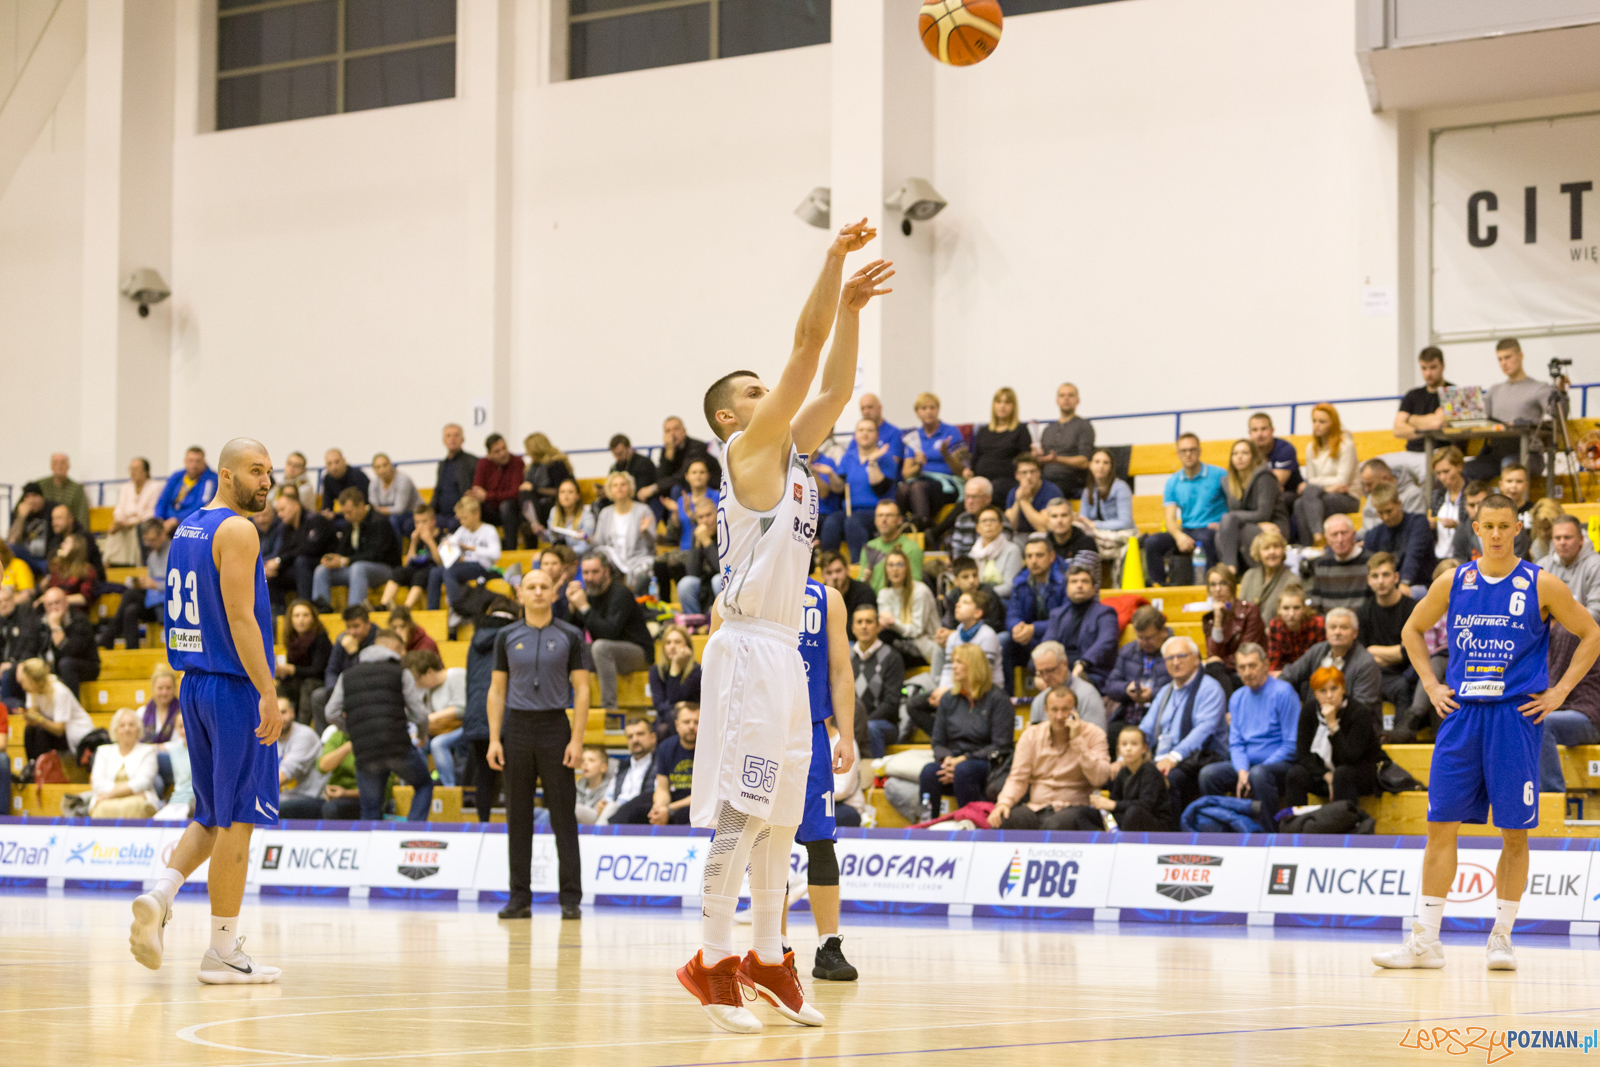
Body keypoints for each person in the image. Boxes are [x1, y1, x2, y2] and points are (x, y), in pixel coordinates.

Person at [682, 220, 889, 1034]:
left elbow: (832, 389)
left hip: (784, 655)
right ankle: (709, 958)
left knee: (780, 817)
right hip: (745, 647)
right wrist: (833, 267)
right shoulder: (749, 451)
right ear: (731, 415)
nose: (777, 394)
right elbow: (806, 354)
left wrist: (854, 311)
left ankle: (769, 957)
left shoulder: (792, 456)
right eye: (759, 390)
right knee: (743, 807)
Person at [1373, 491, 1600, 971]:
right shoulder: (1455, 580)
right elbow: (1412, 631)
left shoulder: (1542, 584)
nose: (1496, 534)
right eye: (1488, 526)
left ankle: (1501, 937)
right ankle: (1426, 940)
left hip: (1515, 718)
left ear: (1517, 527)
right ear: (1475, 529)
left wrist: (1559, 692)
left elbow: (1592, 634)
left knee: (1513, 832)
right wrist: (1431, 684)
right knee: (1440, 826)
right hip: (1461, 717)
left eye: (1504, 525)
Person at [127, 437, 282, 985]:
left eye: (269, 471)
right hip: (234, 687)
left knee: (210, 812)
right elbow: (241, 620)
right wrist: (267, 689)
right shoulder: (238, 529)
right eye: (254, 471)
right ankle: (222, 950)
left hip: (194, 684)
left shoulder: (187, 526)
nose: (265, 481)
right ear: (225, 474)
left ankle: (160, 895)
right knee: (239, 819)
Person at [485, 567, 590, 921]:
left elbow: (583, 689)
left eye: (545, 586)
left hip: (555, 728)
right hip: (517, 728)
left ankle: (570, 898)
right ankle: (519, 898)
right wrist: (494, 738)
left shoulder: (571, 635)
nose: (539, 592)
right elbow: (497, 689)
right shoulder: (505, 636)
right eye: (532, 586)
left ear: (554, 593)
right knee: (517, 816)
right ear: (521, 594)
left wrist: (577, 739)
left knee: (564, 816)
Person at [794, 576, 859, 982]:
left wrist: (846, 735)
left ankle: (828, 945)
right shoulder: (737, 591)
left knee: (820, 838)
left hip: (812, 730)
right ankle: (772, 946)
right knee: (764, 840)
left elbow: (840, 670)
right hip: (757, 731)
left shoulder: (826, 598)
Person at [324, 628, 433, 820]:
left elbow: (330, 713)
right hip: (397, 746)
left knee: (370, 809)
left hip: (365, 750)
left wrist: (352, 730)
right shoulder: (400, 672)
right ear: (394, 647)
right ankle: (412, 834)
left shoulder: (347, 675)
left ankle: (371, 846)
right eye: (401, 650)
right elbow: (420, 714)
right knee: (424, 785)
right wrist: (423, 736)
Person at [989, 684, 1115, 831]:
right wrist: (1004, 803)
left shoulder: (1094, 734)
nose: (1059, 716)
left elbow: (1100, 778)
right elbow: (1018, 778)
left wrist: (1077, 742)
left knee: (1056, 825)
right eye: (1054, 710)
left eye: (1065, 710)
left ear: (1075, 711)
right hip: (1037, 807)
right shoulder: (1031, 735)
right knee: (1004, 819)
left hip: (1075, 808)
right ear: (1046, 710)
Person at [1197, 643, 1298, 824]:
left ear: (1266, 664)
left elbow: (1291, 744)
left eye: (1252, 665)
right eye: (1242, 667)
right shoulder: (1237, 697)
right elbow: (1236, 743)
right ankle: (1222, 829)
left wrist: (1253, 772)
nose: (1247, 672)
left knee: (1259, 774)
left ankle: (1268, 835)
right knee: (1209, 774)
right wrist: (1243, 771)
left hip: (1280, 765)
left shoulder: (1284, 692)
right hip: (1249, 766)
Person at [1138, 636, 1229, 828]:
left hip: (1200, 757)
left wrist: (1174, 757)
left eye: (1181, 656)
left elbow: (1203, 730)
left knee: (1169, 779)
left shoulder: (1210, 688)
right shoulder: (1165, 691)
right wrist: (1127, 755)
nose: (1176, 662)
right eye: (1170, 658)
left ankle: (1175, 837)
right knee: (1127, 773)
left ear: (1196, 658)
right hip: (1165, 757)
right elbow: (1146, 728)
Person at [919, 644, 1013, 818]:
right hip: (954, 760)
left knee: (964, 770)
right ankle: (928, 823)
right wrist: (946, 759)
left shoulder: (998, 699)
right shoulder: (948, 699)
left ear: (974, 665)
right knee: (929, 772)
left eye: (959, 662)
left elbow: (1002, 744)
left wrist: (964, 760)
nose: (953, 666)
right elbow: (937, 741)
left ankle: (973, 823)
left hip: (985, 763)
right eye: (953, 661)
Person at [1283, 666, 1383, 812]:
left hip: (1359, 773)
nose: (1329, 695)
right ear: (1315, 694)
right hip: (1326, 774)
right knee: (1295, 774)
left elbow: (1350, 757)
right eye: (1323, 691)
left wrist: (1332, 724)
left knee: (1342, 774)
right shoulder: (1309, 711)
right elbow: (1303, 754)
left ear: (1343, 689)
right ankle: (1295, 825)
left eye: (1334, 689)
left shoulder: (1359, 713)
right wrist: (1326, 775)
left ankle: (1346, 826)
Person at [568, 551, 655, 718]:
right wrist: (572, 608)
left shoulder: (620, 593)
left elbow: (609, 633)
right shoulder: (590, 593)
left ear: (606, 572)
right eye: (585, 573)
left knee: (600, 647)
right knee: (572, 648)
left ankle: (610, 711)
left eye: (595, 572)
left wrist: (584, 608)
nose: (590, 577)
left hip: (638, 653)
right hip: (607, 653)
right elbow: (571, 631)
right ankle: (573, 705)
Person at [1463, 339, 1565, 481]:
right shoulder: (1494, 390)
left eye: (1508, 357)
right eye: (1500, 359)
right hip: (1495, 455)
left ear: (1520, 356)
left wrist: (1562, 394)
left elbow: (1559, 413)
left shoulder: (1539, 388)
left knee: (1509, 467)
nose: (1504, 363)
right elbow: (1481, 417)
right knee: (1466, 470)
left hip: (1529, 454)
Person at [906, 590, 1003, 737]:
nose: (957, 605)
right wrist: (942, 690)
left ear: (977, 613)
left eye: (965, 602)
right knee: (915, 705)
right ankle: (945, 739)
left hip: (983, 690)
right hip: (957, 689)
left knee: (949, 702)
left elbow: (982, 674)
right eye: (958, 602)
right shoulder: (954, 637)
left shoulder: (987, 635)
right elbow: (948, 669)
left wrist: (949, 691)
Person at [463, 596, 520, 821]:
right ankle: (514, 827)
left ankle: (483, 825)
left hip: (477, 713)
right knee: (514, 775)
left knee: (484, 774)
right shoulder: (516, 636)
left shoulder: (475, 638)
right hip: (506, 710)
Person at [1143, 434, 1227, 586]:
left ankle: (1209, 588)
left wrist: (1224, 524)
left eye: (1192, 450)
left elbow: (1235, 504)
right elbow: (1170, 519)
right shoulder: (1173, 482)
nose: (1188, 454)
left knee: (1205, 538)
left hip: (1210, 529)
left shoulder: (1219, 475)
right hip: (1187, 530)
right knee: (1152, 542)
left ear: (1199, 451)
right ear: (1178, 454)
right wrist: (1179, 536)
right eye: (1184, 451)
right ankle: (1159, 588)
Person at [817, 418, 899, 561]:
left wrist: (872, 461)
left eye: (869, 430)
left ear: (877, 435)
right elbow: (839, 488)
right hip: (850, 510)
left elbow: (880, 488)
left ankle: (858, 566)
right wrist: (831, 474)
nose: (865, 434)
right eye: (861, 430)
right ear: (855, 435)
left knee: (852, 522)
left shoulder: (885, 458)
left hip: (876, 512)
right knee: (831, 521)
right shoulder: (848, 458)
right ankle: (827, 565)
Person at [312, 488, 401, 612]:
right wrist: (334, 558)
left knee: (358, 568)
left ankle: (354, 612)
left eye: (349, 512)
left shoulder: (379, 522)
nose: (347, 516)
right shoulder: (349, 524)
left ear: (360, 506)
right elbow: (342, 551)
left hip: (385, 569)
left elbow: (376, 555)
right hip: (356, 569)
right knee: (322, 570)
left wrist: (345, 560)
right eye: (344, 513)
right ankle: (321, 610)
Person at [1537, 622, 1600, 793]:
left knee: (1541, 723)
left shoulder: (1569, 630)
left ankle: (1553, 797)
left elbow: (1552, 686)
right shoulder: (1547, 633)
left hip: (1589, 716)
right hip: (1570, 712)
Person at [1278, 606, 1380, 707]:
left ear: (1355, 633)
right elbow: (1289, 675)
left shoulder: (1366, 663)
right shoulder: (1317, 650)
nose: (1337, 632)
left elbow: (1362, 707)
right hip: (1314, 717)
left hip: (1350, 721)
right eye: (1333, 627)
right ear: (1326, 631)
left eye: (1343, 627)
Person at [1003, 537, 1066, 691]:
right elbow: (1012, 614)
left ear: (1051, 557)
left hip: (1057, 638)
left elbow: (1065, 619)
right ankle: (1008, 697)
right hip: (1028, 639)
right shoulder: (1020, 581)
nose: (1033, 561)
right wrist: (1017, 627)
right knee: (1003, 641)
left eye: (1039, 555)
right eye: (1029, 556)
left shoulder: (1065, 579)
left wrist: (1033, 629)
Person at [896, 392, 966, 530]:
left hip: (947, 486)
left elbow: (961, 471)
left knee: (917, 487)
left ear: (938, 410)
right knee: (903, 488)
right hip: (922, 484)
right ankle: (901, 527)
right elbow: (906, 474)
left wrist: (946, 455)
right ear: (917, 412)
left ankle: (922, 525)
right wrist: (919, 466)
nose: (928, 412)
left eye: (932, 408)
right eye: (923, 408)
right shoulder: (914, 437)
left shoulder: (951, 432)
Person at [1216, 439, 1287, 572]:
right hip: (1252, 525)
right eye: (1235, 453)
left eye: (1244, 453)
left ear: (1253, 456)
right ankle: (1234, 571)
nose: (1239, 457)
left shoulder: (1264, 476)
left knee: (1229, 521)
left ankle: (1230, 570)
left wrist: (1231, 518)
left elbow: (1264, 513)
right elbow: (1236, 514)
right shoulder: (1229, 481)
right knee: (1221, 532)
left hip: (1274, 527)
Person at [1357, 552, 1418, 707]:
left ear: (1396, 578)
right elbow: (1361, 653)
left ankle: (1401, 731)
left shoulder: (1413, 609)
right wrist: (1397, 652)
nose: (1381, 581)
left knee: (1402, 687)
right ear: (1369, 580)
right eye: (1375, 576)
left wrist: (1372, 650)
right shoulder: (1363, 611)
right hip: (1374, 672)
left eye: (1385, 575)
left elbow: (1410, 653)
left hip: (1406, 673)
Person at [1292, 404, 1358, 547]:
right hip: (1323, 495)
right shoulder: (1311, 448)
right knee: (1299, 503)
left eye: (1322, 422)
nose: (1317, 425)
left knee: (1307, 497)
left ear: (1333, 423)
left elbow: (1343, 481)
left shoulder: (1346, 445)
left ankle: (1317, 536)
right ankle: (1308, 547)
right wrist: (1327, 488)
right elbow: (1310, 479)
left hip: (1348, 497)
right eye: (1314, 421)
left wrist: (1317, 485)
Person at [1043, 565, 1119, 688]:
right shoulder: (1057, 615)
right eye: (1074, 581)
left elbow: (1106, 641)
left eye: (1084, 581)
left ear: (1094, 589)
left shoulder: (1105, 613)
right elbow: (1047, 645)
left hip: (1093, 673)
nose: (1079, 585)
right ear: (1066, 589)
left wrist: (1083, 663)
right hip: (1062, 672)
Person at [1102, 606, 1172, 734]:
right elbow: (1110, 686)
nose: (1145, 642)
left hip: (1162, 720)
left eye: (1149, 638)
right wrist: (1127, 689)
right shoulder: (1128, 651)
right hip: (1129, 717)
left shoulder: (1175, 653)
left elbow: (1181, 689)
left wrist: (1152, 694)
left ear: (1163, 631)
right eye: (1140, 638)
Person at [432, 496, 503, 616]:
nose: (462, 522)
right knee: (435, 572)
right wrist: (447, 545)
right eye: (460, 519)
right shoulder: (462, 530)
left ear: (476, 514)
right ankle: (432, 611)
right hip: (464, 566)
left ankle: (457, 607)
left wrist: (473, 548)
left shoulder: (489, 530)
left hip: (482, 566)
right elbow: (451, 544)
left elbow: (496, 554)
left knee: (450, 571)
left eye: (465, 518)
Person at [1094, 724, 1174, 830]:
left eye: (1134, 744)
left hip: (1155, 824)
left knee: (1133, 812)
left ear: (1144, 748)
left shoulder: (1150, 771)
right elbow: (1115, 799)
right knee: (1086, 814)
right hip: (1128, 817)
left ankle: (1122, 843)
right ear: (1118, 749)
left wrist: (1113, 805)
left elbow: (1145, 805)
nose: (1128, 748)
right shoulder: (1122, 772)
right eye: (1124, 744)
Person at [405, 648, 466, 787]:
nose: (417, 685)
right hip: (442, 729)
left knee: (438, 744)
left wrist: (431, 718)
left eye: (417, 680)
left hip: (462, 727)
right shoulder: (429, 689)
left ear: (430, 672)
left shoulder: (456, 675)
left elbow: (462, 709)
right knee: (415, 742)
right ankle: (421, 786)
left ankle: (449, 788)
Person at [105, 521, 169, 651]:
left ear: (162, 535)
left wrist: (157, 585)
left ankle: (110, 634)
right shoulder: (152, 556)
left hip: (169, 603)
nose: (148, 545)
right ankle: (132, 652)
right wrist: (144, 584)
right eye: (146, 541)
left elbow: (180, 584)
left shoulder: (175, 551)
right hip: (154, 602)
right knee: (130, 610)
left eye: (152, 540)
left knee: (130, 594)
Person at [852, 603, 906, 757]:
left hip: (883, 724)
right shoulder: (846, 657)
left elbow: (891, 703)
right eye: (859, 622)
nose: (864, 626)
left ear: (878, 627)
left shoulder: (892, 657)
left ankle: (875, 776)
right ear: (853, 628)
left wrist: (861, 725)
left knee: (871, 728)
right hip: (852, 723)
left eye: (869, 622)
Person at [1390, 346, 1453, 477]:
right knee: (1370, 467)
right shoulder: (1412, 395)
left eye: (1433, 367)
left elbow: (1437, 423)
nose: (1428, 373)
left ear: (1443, 366)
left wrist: (1410, 419)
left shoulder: (1451, 393)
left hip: (1439, 452)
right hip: (1410, 453)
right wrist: (1428, 425)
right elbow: (1397, 429)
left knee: (1427, 473)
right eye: (1424, 368)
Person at [17, 657, 95, 762]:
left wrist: (40, 720)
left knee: (41, 732)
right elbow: (34, 716)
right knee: (30, 730)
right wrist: (29, 716)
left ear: (35, 681)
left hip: (74, 733)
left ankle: (43, 768)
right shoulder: (32, 691)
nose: (23, 686)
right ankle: (32, 765)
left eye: (25, 682)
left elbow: (59, 729)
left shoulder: (59, 692)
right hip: (55, 730)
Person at [589, 472, 655, 595]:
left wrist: (645, 532)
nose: (619, 488)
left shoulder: (643, 510)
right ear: (609, 490)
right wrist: (588, 539)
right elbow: (600, 545)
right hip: (614, 561)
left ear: (630, 488)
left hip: (638, 559)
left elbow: (651, 547)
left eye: (623, 484)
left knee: (645, 569)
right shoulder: (605, 513)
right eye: (615, 485)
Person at [88, 708, 161, 818]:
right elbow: (97, 782)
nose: (127, 729)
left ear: (138, 729)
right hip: (111, 799)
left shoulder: (148, 751)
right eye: (122, 725)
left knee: (137, 805)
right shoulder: (103, 751)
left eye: (131, 725)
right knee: (102, 808)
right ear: (115, 730)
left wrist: (111, 794)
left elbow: (144, 781)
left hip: (135, 800)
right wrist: (124, 793)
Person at [966, 387, 1032, 510]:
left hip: (1007, 481)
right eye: (999, 402)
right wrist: (969, 473)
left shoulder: (1020, 430)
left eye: (1007, 402)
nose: (1002, 406)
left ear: (1013, 406)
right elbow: (975, 458)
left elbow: (1025, 459)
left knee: (989, 490)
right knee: (971, 494)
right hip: (982, 480)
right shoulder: (983, 431)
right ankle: (936, 529)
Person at [877, 548, 940, 670]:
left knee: (886, 642)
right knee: (881, 640)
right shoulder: (884, 594)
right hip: (897, 642)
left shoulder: (920, 591)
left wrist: (893, 623)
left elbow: (916, 631)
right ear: (886, 570)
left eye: (899, 564)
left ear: (907, 568)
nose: (895, 569)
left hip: (923, 646)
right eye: (891, 565)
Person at [1027, 640, 1109, 730]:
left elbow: (1098, 738)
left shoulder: (1087, 695)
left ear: (1065, 664)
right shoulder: (1039, 701)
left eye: (1050, 671)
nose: (1045, 677)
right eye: (1041, 673)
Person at [1201, 564, 1265, 675]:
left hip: (1248, 669)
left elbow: (1246, 652)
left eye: (1223, 583)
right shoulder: (1209, 618)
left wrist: (1220, 662)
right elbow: (1213, 654)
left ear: (1232, 585)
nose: (1217, 589)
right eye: (1213, 585)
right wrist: (1217, 621)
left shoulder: (1250, 611)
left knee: (1215, 668)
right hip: (1223, 672)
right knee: (1213, 668)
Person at [641, 701, 698, 826]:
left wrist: (669, 809)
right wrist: (659, 808)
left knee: (683, 814)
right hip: (674, 799)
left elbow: (704, 797)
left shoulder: (711, 750)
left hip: (696, 804)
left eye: (696, 722)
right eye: (686, 722)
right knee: (638, 813)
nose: (691, 727)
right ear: (677, 725)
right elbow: (662, 788)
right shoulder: (665, 747)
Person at [1034, 382, 1094, 499]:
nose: (1066, 399)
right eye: (1062, 395)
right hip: (1044, 477)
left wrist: (1057, 459)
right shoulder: (1048, 429)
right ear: (1057, 400)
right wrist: (1034, 456)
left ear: (1077, 400)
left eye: (1070, 395)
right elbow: (1042, 459)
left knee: (1048, 492)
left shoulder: (1084, 426)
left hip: (1069, 478)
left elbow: (1085, 461)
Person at [595, 714, 658, 825]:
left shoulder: (660, 764)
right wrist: (602, 804)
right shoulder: (622, 766)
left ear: (652, 738)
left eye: (640, 734)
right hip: (615, 812)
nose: (635, 740)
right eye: (630, 736)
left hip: (642, 815)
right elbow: (609, 797)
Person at [275, 599, 329, 722]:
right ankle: (280, 723)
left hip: (319, 681)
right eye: (297, 616)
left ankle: (301, 726)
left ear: (313, 618)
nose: (301, 620)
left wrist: (292, 669)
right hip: (299, 680)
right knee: (281, 687)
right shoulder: (291, 638)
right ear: (291, 619)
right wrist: (281, 673)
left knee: (308, 685)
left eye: (305, 615)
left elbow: (318, 671)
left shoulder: (321, 637)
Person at [37, 585, 99, 693]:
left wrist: (56, 627)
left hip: (85, 666)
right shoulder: (41, 623)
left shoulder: (79, 620)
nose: (54, 608)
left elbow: (70, 651)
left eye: (57, 603)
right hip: (57, 665)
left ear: (66, 603)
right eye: (49, 604)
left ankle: (72, 705)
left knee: (66, 663)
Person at [380, 503, 442, 610]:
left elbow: (440, 562)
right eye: (417, 522)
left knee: (420, 575)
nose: (420, 526)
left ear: (433, 521)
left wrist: (430, 542)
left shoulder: (442, 537)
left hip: (432, 570)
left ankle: (406, 609)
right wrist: (413, 542)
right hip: (416, 568)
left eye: (424, 521)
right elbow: (408, 562)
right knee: (398, 572)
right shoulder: (417, 539)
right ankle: (384, 605)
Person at [273, 696, 328, 818]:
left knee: (271, 808)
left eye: (283, 712)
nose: (280, 718)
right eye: (275, 713)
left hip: (311, 797)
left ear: (292, 713)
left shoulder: (304, 735)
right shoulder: (269, 740)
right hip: (285, 797)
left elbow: (285, 773)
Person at [1540, 515, 1600, 624]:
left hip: (1588, 632)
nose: (1562, 542)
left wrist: (1563, 627)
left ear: (1581, 539)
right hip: (1551, 630)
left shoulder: (1596, 565)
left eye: (1567, 537)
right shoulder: (1543, 566)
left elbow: (1596, 610)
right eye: (1557, 538)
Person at [1076, 449, 1135, 558]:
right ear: (1090, 465)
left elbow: (1125, 523)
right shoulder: (1087, 491)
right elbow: (1083, 519)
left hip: (1119, 535)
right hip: (1096, 536)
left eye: (1105, 462)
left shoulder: (1121, 488)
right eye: (1097, 462)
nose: (1101, 466)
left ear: (1111, 467)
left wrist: (1095, 525)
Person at [470, 433, 526, 547]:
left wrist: (488, 496)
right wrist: (480, 496)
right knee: (472, 506)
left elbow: (515, 493)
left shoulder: (517, 462)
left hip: (512, 510)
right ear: (489, 455)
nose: (503, 453)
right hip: (491, 510)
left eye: (504, 448)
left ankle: (511, 549)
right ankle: (476, 548)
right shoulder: (483, 464)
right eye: (497, 451)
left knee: (506, 506)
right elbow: (477, 490)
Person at [106, 458, 161, 566]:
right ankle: (112, 564)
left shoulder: (155, 487)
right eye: (130, 469)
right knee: (114, 531)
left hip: (143, 524)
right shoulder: (125, 487)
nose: (132, 472)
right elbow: (120, 509)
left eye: (136, 469)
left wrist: (131, 523)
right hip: (124, 524)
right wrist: (119, 522)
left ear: (146, 471)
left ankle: (133, 565)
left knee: (135, 532)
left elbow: (151, 512)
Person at [654, 416, 721, 506]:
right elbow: (661, 477)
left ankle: (679, 517)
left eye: (676, 429)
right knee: (658, 494)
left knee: (676, 489)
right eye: (668, 431)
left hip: (707, 486)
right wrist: (669, 453)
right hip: (685, 486)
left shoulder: (696, 447)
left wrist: (655, 487)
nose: (672, 434)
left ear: (684, 431)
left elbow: (684, 475)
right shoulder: (667, 450)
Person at [1309, 514, 1370, 613]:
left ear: (1353, 535)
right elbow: (1316, 607)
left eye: (1344, 533)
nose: (1340, 540)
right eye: (1334, 534)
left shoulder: (1370, 562)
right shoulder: (1322, 565)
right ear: (1327, 539)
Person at [518, 431, 576, 534]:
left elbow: (561, 491)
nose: (527, 453)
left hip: (554, 504)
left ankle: (535, 524)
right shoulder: (532, 467)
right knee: (521, 500)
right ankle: (533, 523)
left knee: (527, 497)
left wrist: (534, 489)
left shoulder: (556, 464)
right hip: (538, 505)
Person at [858, 499, 923, 591]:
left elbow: (915, 585)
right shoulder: (869, 547)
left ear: (899, 520)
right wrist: (865, 580)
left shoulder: (912, 548)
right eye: (880, 515)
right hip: (873, 602)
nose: (884, 519)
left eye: (889, 515)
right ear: (875, 520)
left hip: (900, 601)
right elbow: (860, 582)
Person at [648, 625, 702, 730]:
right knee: (662, 726)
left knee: (672, 720)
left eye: (677, 642)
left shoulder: (696, 670)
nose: (672, 646)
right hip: (666, 718)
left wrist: (675, 667)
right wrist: (675, 667)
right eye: (668, 643)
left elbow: (674, 697)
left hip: (692, 718)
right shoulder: (656, 671)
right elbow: (659, 706)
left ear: (687, 645)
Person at [932, 477, 998, 559]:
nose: (970, 501)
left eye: (974, 497)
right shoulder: (962, 519)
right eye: (967, 496)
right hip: (965, 567)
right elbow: (956, 551)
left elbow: (999, 552)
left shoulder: (998, 519)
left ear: (988, 498)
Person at [1004, 455, 1063, 541]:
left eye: (1032, 471)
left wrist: (1023, 501)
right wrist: (1018, 500)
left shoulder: (1051, 491)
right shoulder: (1013, 492)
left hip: (1048, 537)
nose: (1029, 476)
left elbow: (1044, 528)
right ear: (1017, 475)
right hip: (1021, 535)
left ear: (1039, 472)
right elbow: (1010, 527)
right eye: (1024, 472)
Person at [1240, 530, 1293, 624]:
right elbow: (1240, 610)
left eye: (1276, 547)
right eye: (1266, 548)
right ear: (1258, 552)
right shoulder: (1249, 576)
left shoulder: (1291, 579)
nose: (1272, 552)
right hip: (1249, 634)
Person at [1267, 584, 1324, 672]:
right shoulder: (1275, 625)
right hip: (1286, 674)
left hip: (1313, 672)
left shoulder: (1318, 624)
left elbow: (1322, 659)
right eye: (1286, 608)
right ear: (1279, 609)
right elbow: (1275, 664)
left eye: (1296, 608)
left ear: (1304, 608)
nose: (1291, 614)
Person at [968, 506, 1022, 597]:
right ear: (977, 528)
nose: (988, 524)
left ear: (1000, 526)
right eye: (984, 521)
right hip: (977, 599)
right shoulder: (973, 553)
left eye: (992, 520)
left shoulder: (1012, 550)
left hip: (1002, 600)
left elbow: (1010, 586)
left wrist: (983, 595)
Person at [432, 424, 478, 532]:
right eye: (448, 436)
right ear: (444, 440)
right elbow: (437, 492)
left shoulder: (472, 462)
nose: (452, 439)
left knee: (453, 524)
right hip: (442, 515)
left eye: (456, 435)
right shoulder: (442, 465)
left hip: (462, 514)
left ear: (463, 439)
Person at [1245, 412, 1303, 496]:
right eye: (1255, 430)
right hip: (1259, 496)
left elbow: (1274, 484)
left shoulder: (1285, 449)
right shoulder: (1246, 451)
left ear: (1272, 430)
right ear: (1250, 433)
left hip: (1289, 494)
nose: (1259, 434)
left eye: (1263, 429)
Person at [368, 453, 421, 540]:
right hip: (389, 514)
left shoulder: (403, 480)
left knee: (393, 520)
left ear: (391, 464)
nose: (382, 470)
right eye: (378, 467)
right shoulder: (374, 482)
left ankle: (396, 552)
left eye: (384, 465)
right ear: (374, 469)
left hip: (412, 513)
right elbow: (373, 505)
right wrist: (378, 510)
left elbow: (400, 509)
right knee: (374, 520)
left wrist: (379, 509)